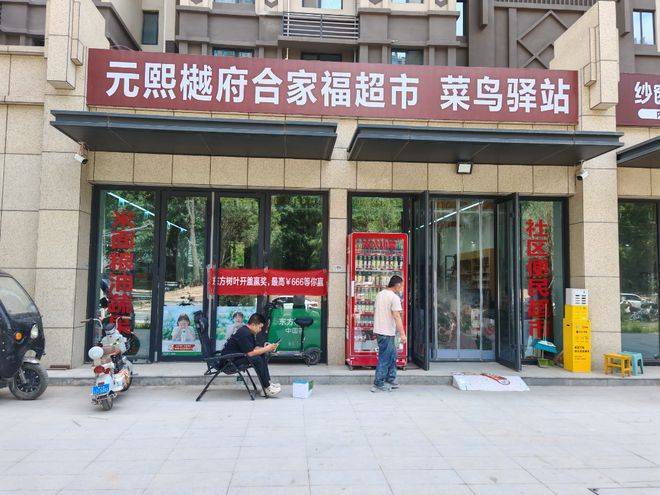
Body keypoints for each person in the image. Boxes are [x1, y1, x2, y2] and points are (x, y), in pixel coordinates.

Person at [221, 313, 282, 397]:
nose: (260, 330)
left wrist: (266, 347)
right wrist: (266, 349)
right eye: (260, 327)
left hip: (236, 357)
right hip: (229, 362)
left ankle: (267, 384)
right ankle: (267, 387)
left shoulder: (248, 332)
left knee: (262, 355)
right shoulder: (244, 333)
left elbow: (254, 348)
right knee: (257, 359)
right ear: (253, 324)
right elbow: (250, 353)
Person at [372, 275, 406, 392]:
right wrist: (402, 334)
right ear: (397, 285)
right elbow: (397, 316)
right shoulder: (394, 297)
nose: (402, 288)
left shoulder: (380, 294)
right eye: (402, 285)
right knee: (385, 358)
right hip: (386, 331)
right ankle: (378, 382)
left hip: (380, 330)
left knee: (392, 355)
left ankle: (390, 378)